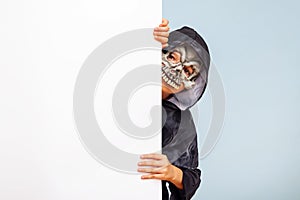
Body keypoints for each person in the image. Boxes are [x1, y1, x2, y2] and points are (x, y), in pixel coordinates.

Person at [137, 19, 210, 200]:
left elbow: (191, 177)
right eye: (172, 57)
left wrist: (171, 172)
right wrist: (147, 37)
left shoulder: (181, 122)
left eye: (187, 71)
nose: (176, 70)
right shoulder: (130, 82)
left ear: (193, 85)